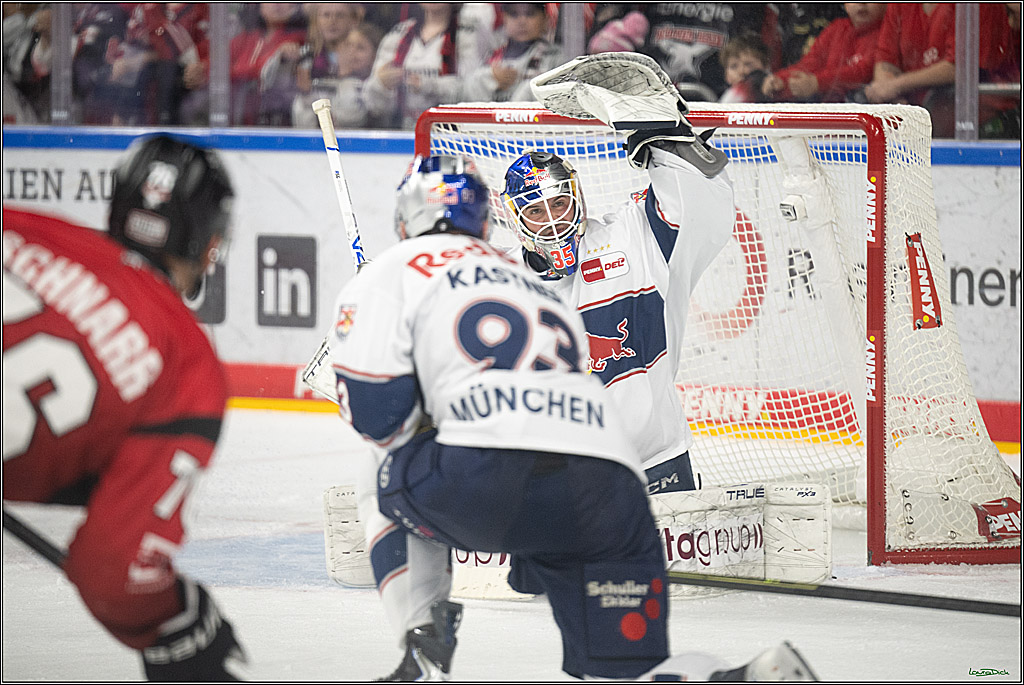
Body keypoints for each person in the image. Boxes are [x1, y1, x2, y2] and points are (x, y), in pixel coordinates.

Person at [328, 154, 818, 683]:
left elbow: (380, 420)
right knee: (623, 672)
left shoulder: (390, 273)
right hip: (611, 491)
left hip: (491, 479)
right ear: (490, 219)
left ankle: (422, 649)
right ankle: (747, 677)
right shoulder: (535, 289)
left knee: (380, 470)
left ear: (404, 220)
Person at [2, 136, 244, 681]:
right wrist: (173, 620)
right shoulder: (186, 362)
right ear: (211, 244)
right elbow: (112, 573)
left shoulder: (23, 224)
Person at [864, 3, 1017, 137]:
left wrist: (896, 86)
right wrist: (889, 95)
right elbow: (885, 60)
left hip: (985, 123)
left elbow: (960, 67)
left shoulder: (976, 5)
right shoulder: (900, 5)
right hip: (921, 121)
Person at [362, 3, 493, 129]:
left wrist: (429, 86)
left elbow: (474, 91)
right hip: (400, 131)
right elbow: (372, 101)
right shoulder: (398, 33)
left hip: (451, 136)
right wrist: (382, 85)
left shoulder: (469, 33)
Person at [762, 3, 885, 103]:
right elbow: (810, 63)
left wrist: (817, 83)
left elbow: (862, 72)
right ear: (845, 5)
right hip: (831, 112)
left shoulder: (886, 32)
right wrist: (781, 79)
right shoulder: (836, 28)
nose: (861, 4)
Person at [461, 2, 563, 103]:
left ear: (545, 19)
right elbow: (467, 94)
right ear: (504, 18)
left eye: (530, 14)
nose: (522, 21)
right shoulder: (492, 55)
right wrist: (489, 77)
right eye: (514, 14)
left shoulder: (555, 58)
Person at [718, 32, 772, 103]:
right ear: (727, 76)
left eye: (749, 65)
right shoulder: (726, 101)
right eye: (734, 66)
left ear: (766, 67)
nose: (742, 71)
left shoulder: (774, 94)